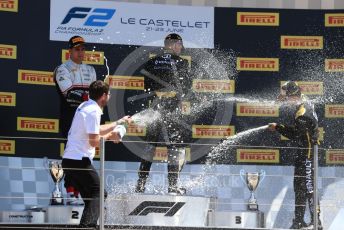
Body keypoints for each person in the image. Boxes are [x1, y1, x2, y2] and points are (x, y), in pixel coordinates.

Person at [62, 80, 131, 228]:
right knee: (99, 193)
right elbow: (94, 141)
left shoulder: (86, 105)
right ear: (104, 96)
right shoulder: (93, 111)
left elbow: (96, 130)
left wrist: (118, 122)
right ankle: (87, 227)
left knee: (91, 199)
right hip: (79, 161)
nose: (110, 96)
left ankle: (88, 226)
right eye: (109, 94)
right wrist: (111, 136)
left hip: (69, 161)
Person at [135, 33, 190, 195]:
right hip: (172, 109)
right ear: (172, 45)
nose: (181, 48)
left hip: (155, 108)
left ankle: (140, 185)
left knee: (150, 148)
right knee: (174, 148)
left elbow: (147, 87)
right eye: (179, 44)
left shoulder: (152, 61)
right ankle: (172, 187)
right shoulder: (183, 63)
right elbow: (184, 89)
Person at [268, 81, 322, 229]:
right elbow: (288, 90)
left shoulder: (302, 114)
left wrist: (278, 127)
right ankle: (298, 221)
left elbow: (294, 134)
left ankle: (316, 222)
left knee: (309, 187)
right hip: (302, 150)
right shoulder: (302, 98)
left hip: (308, 152)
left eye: (287, 97)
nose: (285, 99)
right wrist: (281, 98)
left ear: (294, 96)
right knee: (299, 187)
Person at [54, 35, 97, 205]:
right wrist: (90, 97)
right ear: (69, 51)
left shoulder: (91, 70)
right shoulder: (61, 69)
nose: (81, 53)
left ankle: (83, 192)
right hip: (70, 118)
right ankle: (71, 192)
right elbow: (70, 95)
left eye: (83, 49)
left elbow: (94, 98)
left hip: (87, 120)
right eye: (77, 49)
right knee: (72, 155)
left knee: (85, 155)